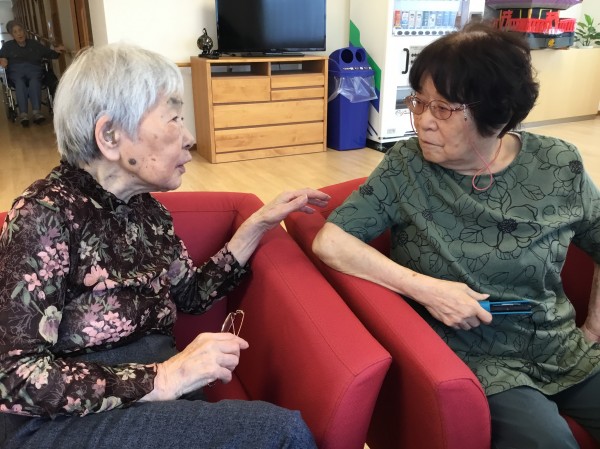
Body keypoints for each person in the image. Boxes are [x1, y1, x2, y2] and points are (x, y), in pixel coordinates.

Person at [0, 42, 330, 449]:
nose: (189, 138)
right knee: (280, 434)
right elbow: (15, 378)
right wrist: (164, 377)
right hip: (65, 419)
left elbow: (191, 295)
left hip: (150, 388)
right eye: (174, 118)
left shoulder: (149, 212)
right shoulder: (44, 215)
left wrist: (258, 224)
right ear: (110, 135)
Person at [313, 21, 600, 449]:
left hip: (560, 343)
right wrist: (428, 290)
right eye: (418, 102)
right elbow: (330, 241)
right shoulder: (407, 166)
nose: (422, 122)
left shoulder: (559, 163)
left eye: (443, 109)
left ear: (496, 113)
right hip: (475, 356)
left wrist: (593, 329)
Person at [0, 20, 64, 126]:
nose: (19, 33)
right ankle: (23, 114)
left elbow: (50, 53)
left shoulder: (34, 44)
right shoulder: (7, 46)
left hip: (34, 70)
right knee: (19, 83)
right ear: (12, 35)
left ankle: (37, 112)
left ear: (24, 31)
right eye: (15, 32)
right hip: (16, 72)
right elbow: (1, 57)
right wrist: (2, 60)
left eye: (20, 30)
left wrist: (57, 51)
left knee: (35, 81)